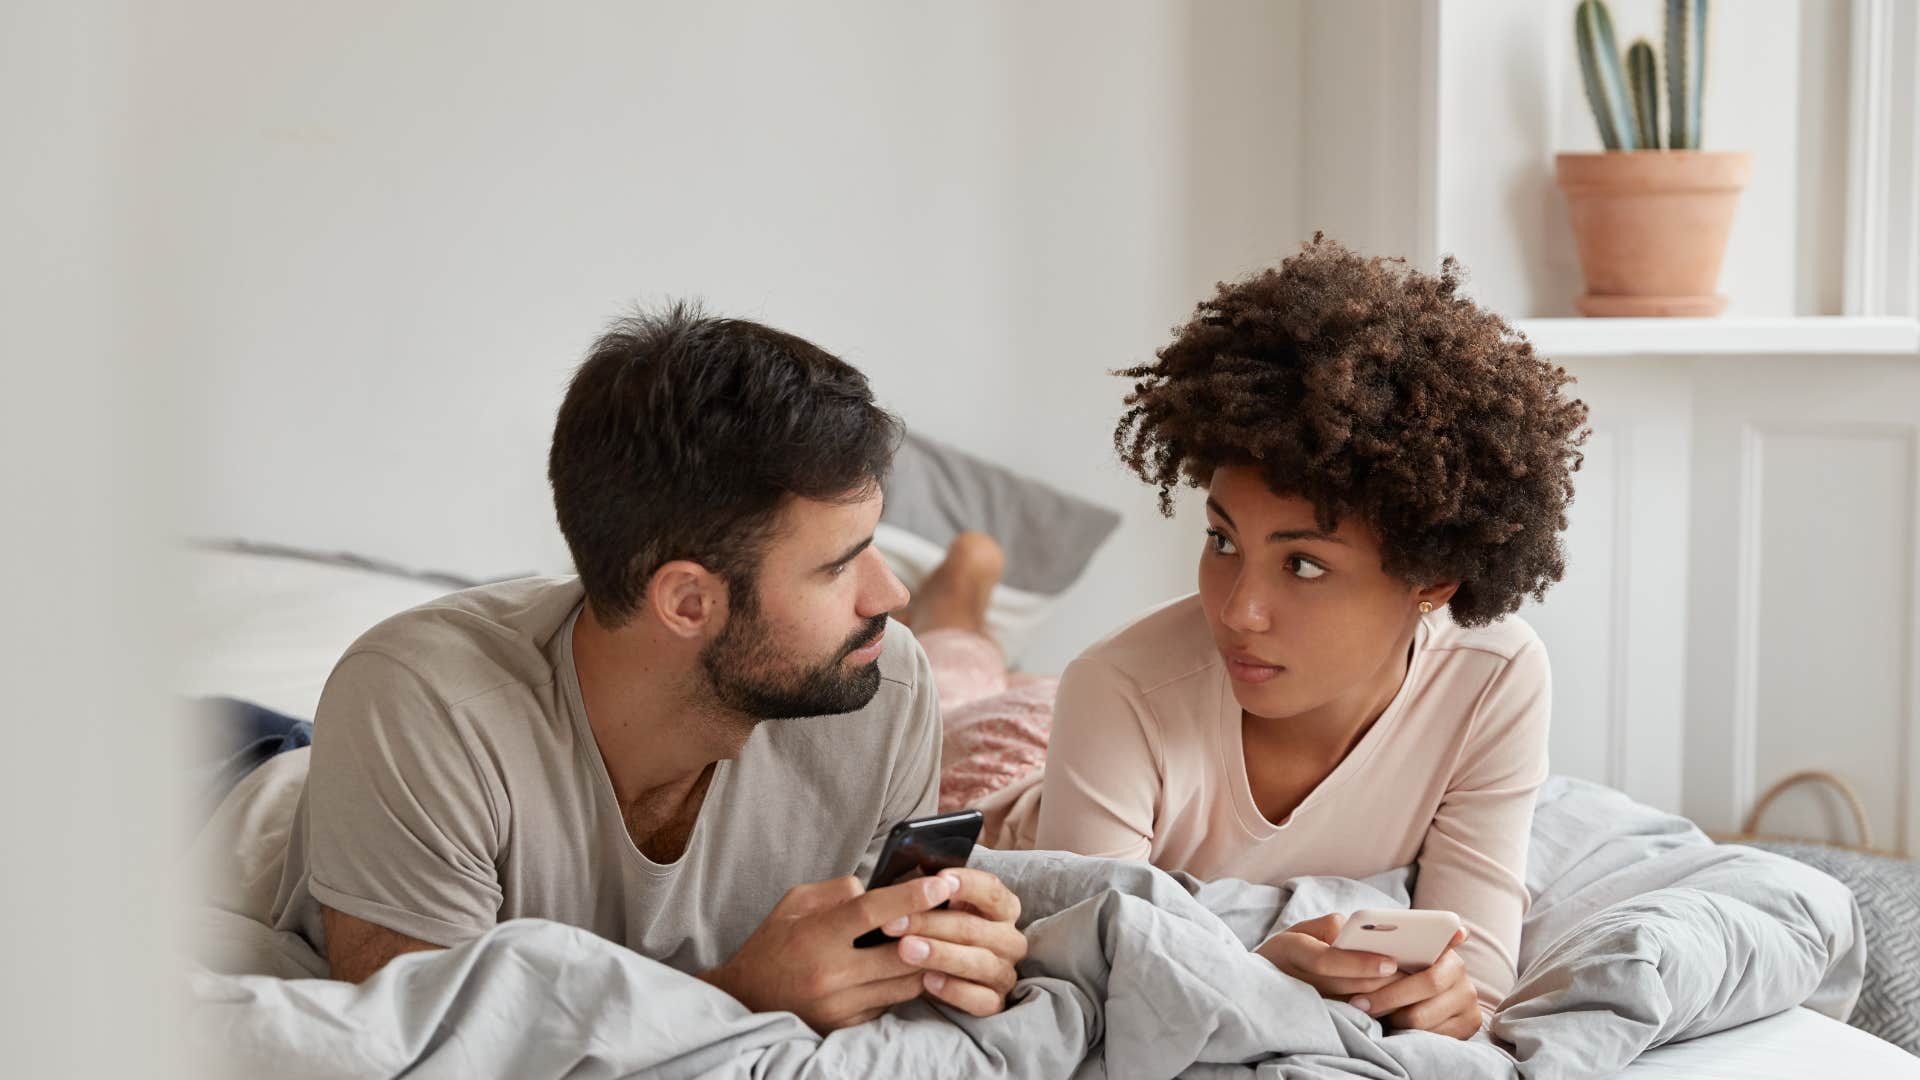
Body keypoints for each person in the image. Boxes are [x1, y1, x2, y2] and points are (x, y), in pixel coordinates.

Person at [262, 305, 1027, 1032]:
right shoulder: (424, 705)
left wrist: (936, 959)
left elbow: (873, 978)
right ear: (688, 602)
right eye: (839, 567)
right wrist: (740, 997)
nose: (890, 596)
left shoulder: (884, 684)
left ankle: (966, 588)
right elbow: (420, 1045)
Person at [969, 237, 1590, 1039]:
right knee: (963, 673)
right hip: (1010, 757)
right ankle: (965, 592)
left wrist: (1447, 1000)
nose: (1239, 612)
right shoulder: (1116, 689)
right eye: (1223, 542)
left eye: (1302, 564)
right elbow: (1083, 989)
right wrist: (1258, 977)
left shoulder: (1494, 676)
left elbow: (1476, 977)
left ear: (1433, 582)